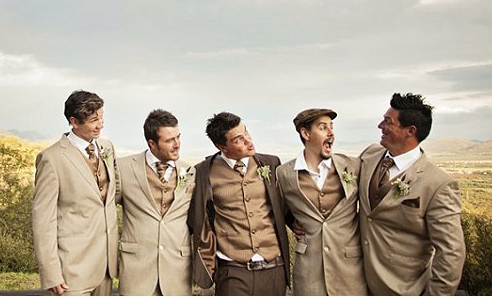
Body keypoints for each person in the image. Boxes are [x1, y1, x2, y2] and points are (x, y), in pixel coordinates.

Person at [359, 93, 465, 295]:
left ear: (410, 131)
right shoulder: (369, 155)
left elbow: (451, 252)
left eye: (388, 121)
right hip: (355, 284)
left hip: (404, 289)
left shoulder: (439, 184)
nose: (380, 125)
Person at [187, 112, 290, 296]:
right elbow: (197, 217)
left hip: (274, 268)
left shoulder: (271, 163)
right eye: (239, 140)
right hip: (232, 271)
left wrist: (296, 223)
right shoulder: (203, 173)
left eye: (246, 133)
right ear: (222, 147)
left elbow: (284, 203)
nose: (249, 141)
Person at [32, 90, 119, 295]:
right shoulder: (51, 159)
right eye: (93, 120)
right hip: (72, 268)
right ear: (74, 122)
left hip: (106, 266)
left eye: (101, 117)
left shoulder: (107, 147)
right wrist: (51, 272)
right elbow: (43, 220)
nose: (100, 124)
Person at [276, 108, 366, 295]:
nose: (331, 133)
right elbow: (279, 209)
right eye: (323, 127)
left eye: (332, 127)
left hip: (350, 270)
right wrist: (293, 223)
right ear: (305, 133)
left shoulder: (352, 166)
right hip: (309, 272)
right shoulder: (284, 174)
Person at [115, 109, 196, 296]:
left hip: (177, 271)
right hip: (137, 270)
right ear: (152, 143)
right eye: (169, 140)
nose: (177, 144)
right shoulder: (123, 168)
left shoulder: (190, 171)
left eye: (178, 137)